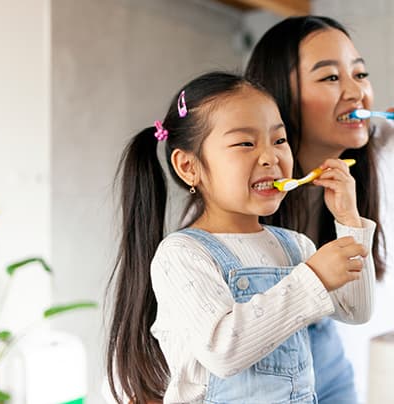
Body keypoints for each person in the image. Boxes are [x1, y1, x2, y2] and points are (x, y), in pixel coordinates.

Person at [245, 15, 394, 402]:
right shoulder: (253, 190)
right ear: (279, 95)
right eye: (330, 77)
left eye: (360, 75)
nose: (356, 91)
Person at [105, 71, 376, 403]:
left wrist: (348, 220)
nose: (270, 157)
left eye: (279, 140)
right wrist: (313, 278)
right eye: (245, 143)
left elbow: (356, 310)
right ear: (189, 167)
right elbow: (224, 351)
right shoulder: (182, 254)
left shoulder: (296, 246)